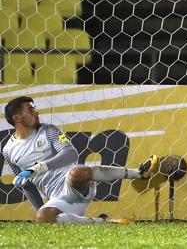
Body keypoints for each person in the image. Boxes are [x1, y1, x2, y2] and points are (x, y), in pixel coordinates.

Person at [2, 96, 158, 224]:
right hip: (59, 198)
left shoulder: (48, 131)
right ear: (16, 118)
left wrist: (39, 167)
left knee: (77, 171)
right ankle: (105, 222)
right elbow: (27, 185)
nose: (36, 112)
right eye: (30, 110)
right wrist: (43, 213)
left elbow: (70, 154)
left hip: (75, 183)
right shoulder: (8, 151)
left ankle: (139, 173)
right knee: (43, 217)